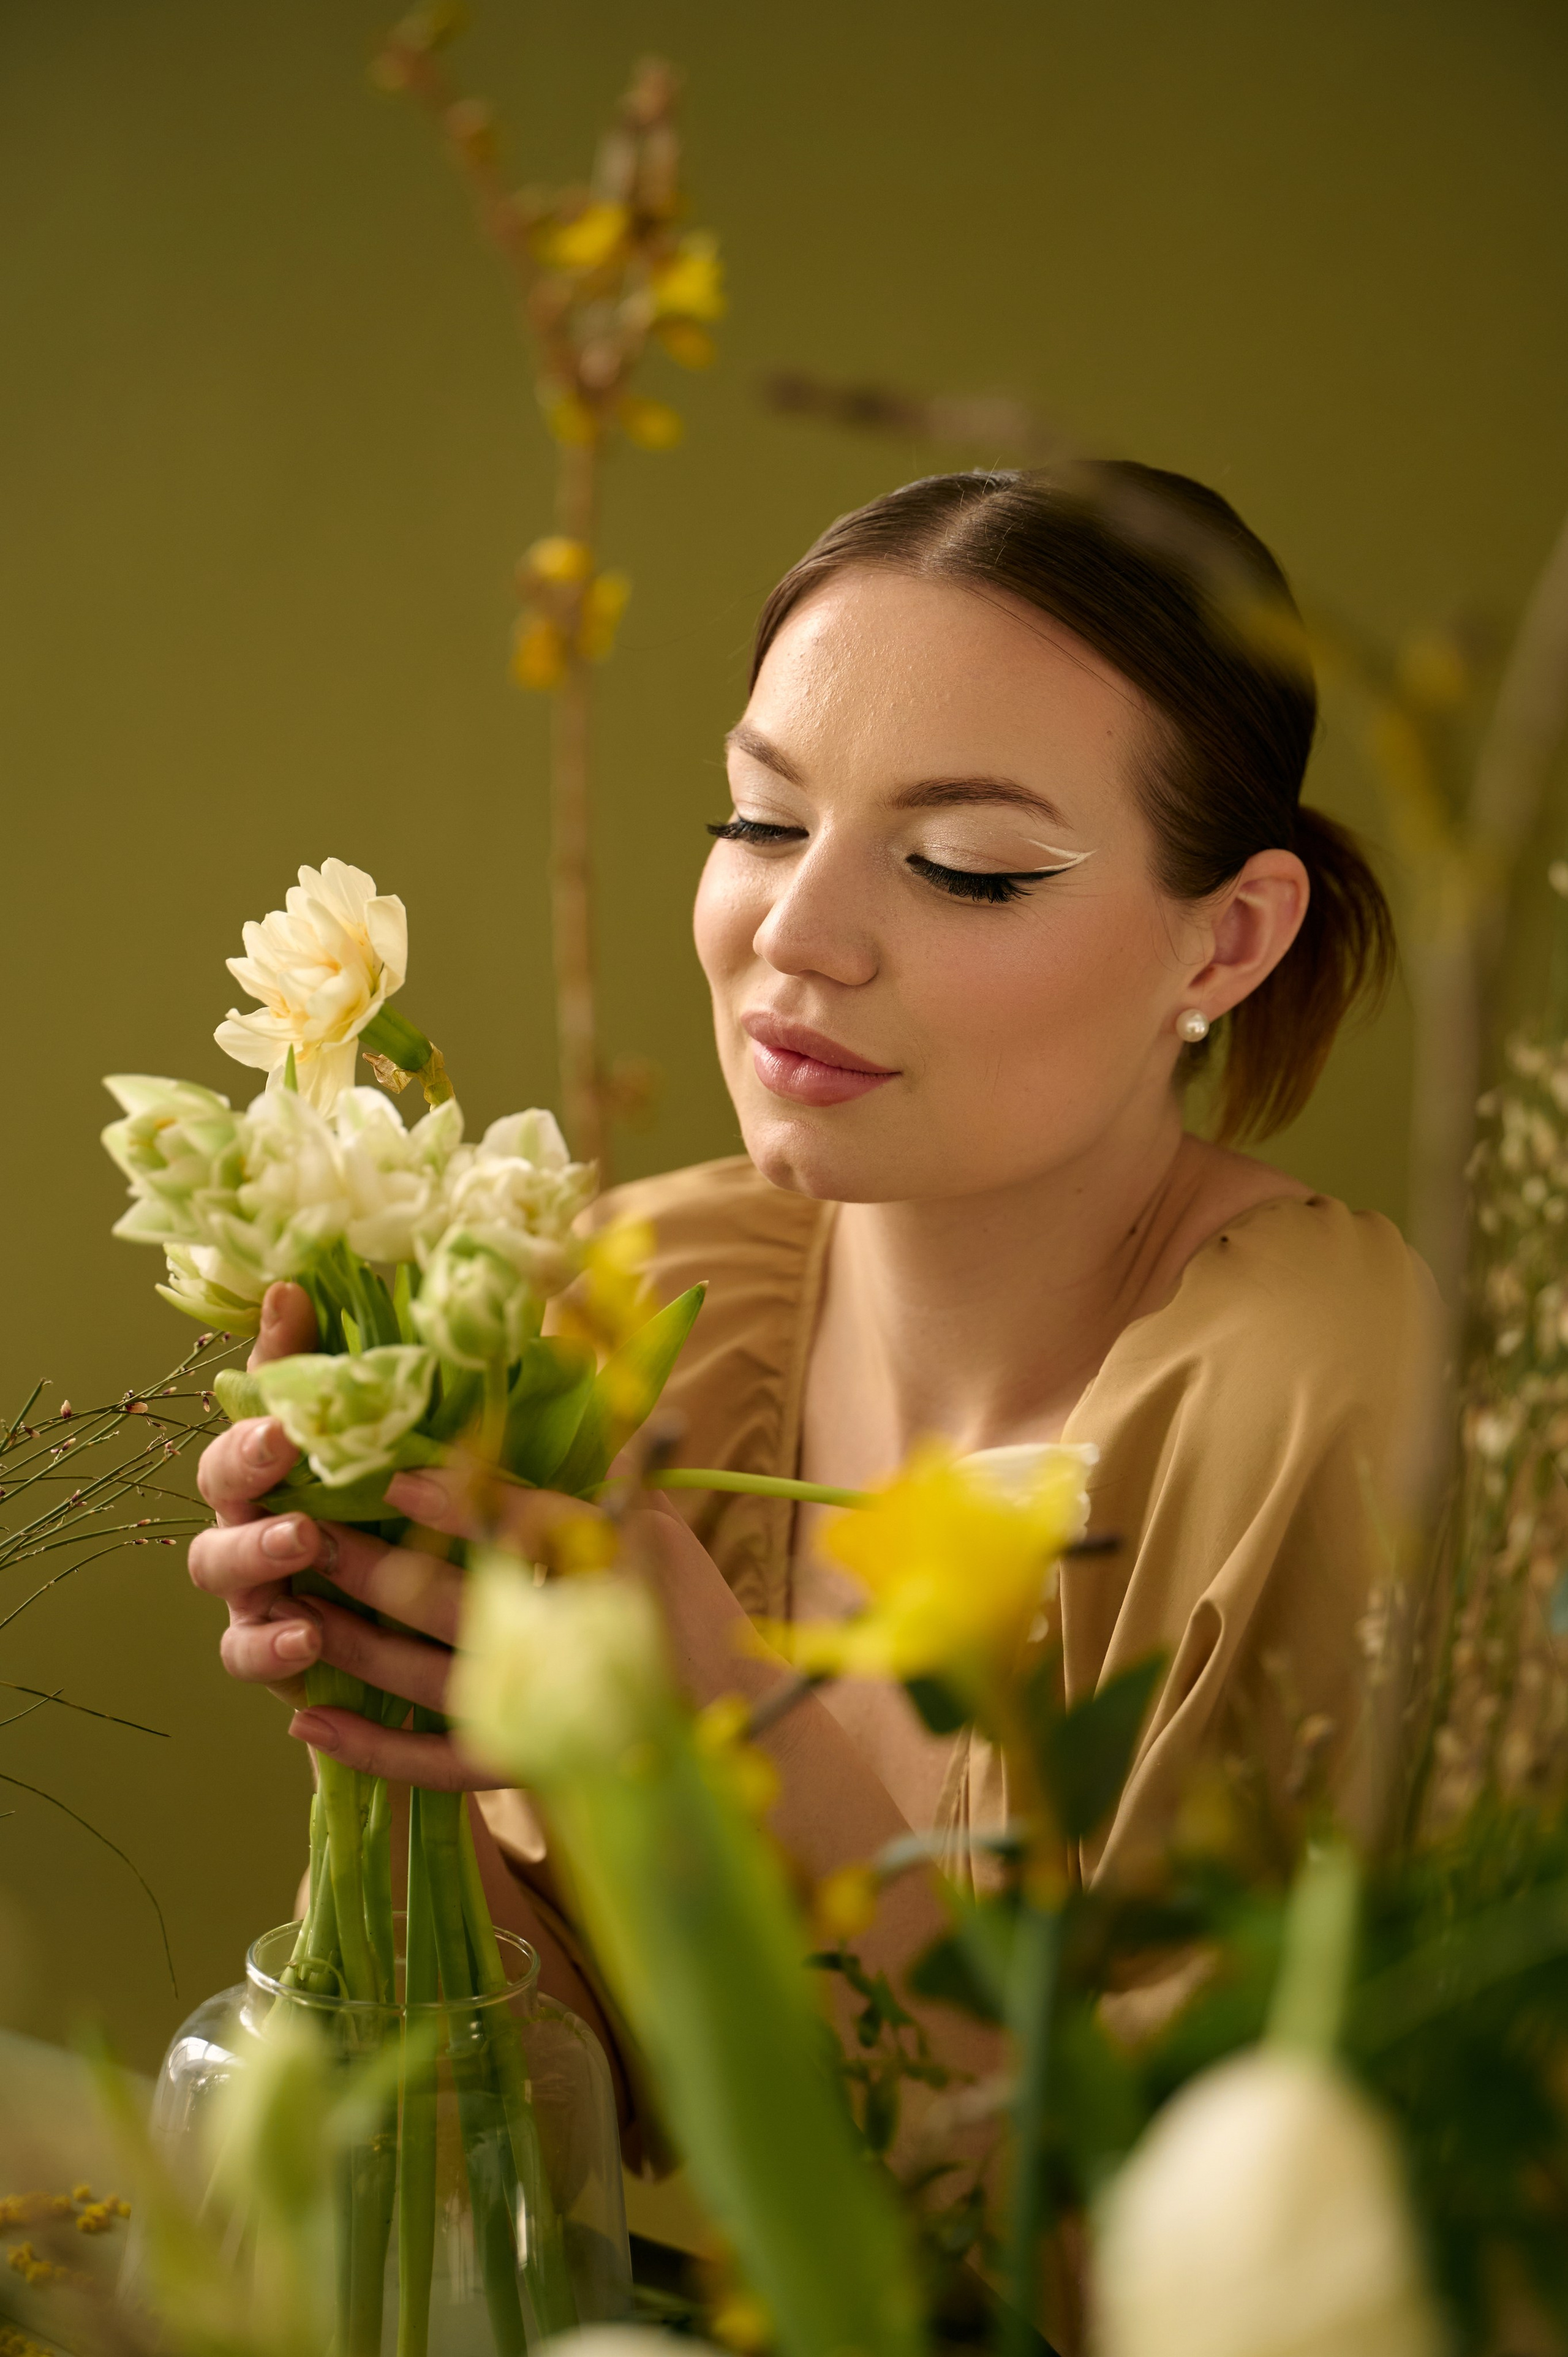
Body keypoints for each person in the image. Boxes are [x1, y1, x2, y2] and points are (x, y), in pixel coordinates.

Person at [189, 462, 1434, 2143]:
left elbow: (1212, 2248)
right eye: (762, 819)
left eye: (968, 868)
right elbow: (571, 2122)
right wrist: (381, 1720)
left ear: (1225, 945)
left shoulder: (1331, 1414)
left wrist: (715, 1702)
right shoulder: (625, 1307)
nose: (798, 928)